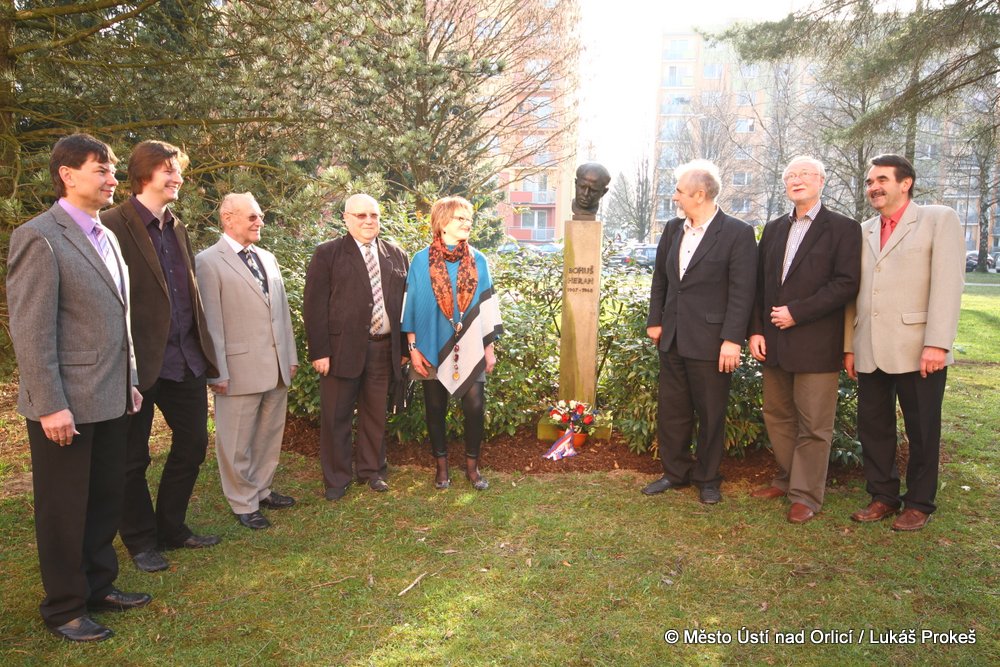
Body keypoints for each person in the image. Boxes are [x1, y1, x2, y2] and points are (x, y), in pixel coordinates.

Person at [7, 133, 150, 642]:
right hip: (65, 404)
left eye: (112, 169)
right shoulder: (39, 237)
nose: (113, 178)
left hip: (111, 396)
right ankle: (65, 607)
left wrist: (131, 381)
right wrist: (50, 405)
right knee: (65, 509)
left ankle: (98, 586)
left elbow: (118, 317)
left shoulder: (106, 234)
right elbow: (31, 330)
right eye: (101, 169)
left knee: (104, 499)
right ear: (67, 174)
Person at [101, 140, 220, 573]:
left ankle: (172, 527)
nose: (178, 178)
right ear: (143, 174)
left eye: (178, 170)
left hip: (184, 358)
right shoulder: (111, 224)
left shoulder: (178, 228)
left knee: (193, 445)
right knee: (132, 458)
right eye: (169, 170)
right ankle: (139, 540)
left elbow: (188, 294)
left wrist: (203, 349)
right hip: (136, 362)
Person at [844, 154, 964, 531]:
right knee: (873, 428)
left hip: (919, 348)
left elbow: (948, 284)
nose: (873, 187)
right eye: (869, 182)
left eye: (881, 180)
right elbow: (853, 292)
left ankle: (919, 503)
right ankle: (882, 496)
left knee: (922, 429)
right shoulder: (862, 230)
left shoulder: (938, 219)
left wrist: (938, 343)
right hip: (869, 346)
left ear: (905, 183)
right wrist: (849, 345)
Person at [747, 156, 861, 524]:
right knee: (778, 416)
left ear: (821, 181)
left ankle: (806, 495)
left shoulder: (843, 228)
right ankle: (787, 479)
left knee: (814, 424)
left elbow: (846, 283)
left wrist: (798, 312)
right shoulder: (773, 228)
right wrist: (755, 330)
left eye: (805, 174)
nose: (796, 180)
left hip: (816, 342)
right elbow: (759, 286)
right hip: (774, 342)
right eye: (790, 175)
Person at [643, 159, 757, 504]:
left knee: (710, 413)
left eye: (679, 191)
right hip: (672, 336)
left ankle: (707, 478)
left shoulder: (737, 232)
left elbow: (742, 291)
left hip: (712, 342)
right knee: (673, 411)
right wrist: (655, 320)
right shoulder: (672, 229)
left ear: (700, 195)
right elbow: (661, 279)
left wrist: (732, 339)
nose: (675, 197)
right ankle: (675, 473)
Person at [196, 193, 299, 529]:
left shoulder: (267, 258)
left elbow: (281, 312)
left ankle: (262, 489)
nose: (260, 222)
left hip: (276, 366)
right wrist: (217, 371)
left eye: (260, 216)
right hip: (237, 369)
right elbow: (210, 323)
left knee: (269, 434)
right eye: (253, 217)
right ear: (228, 218)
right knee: (236, 440)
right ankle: (243, 502)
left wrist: (290, 356)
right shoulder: (208, 262)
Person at [303, 194, 409, 501]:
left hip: (383, 349)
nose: (368, 221)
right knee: (336, 416)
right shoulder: (328, 254)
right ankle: (337, 478)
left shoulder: (396, 254)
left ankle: (371, 471)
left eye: (373, 215)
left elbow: (405, 306)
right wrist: (319, 351)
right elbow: (314, 306)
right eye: (361, 215)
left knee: (375, 414)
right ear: (346, 219)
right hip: (340, 350)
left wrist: (403, 347)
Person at [402, 196, 503, 490]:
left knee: (475, 406)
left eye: (469, 218)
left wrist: (489, 348)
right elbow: (411, 306)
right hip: (429, 345)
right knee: (435, 408)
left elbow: (487, 306)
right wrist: (413, 349)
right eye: (460, 218)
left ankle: (472, 468)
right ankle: (441, 467)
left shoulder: (478, 260)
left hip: (471, 345)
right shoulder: (421, 260)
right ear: (442, 222)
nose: (467, 223)